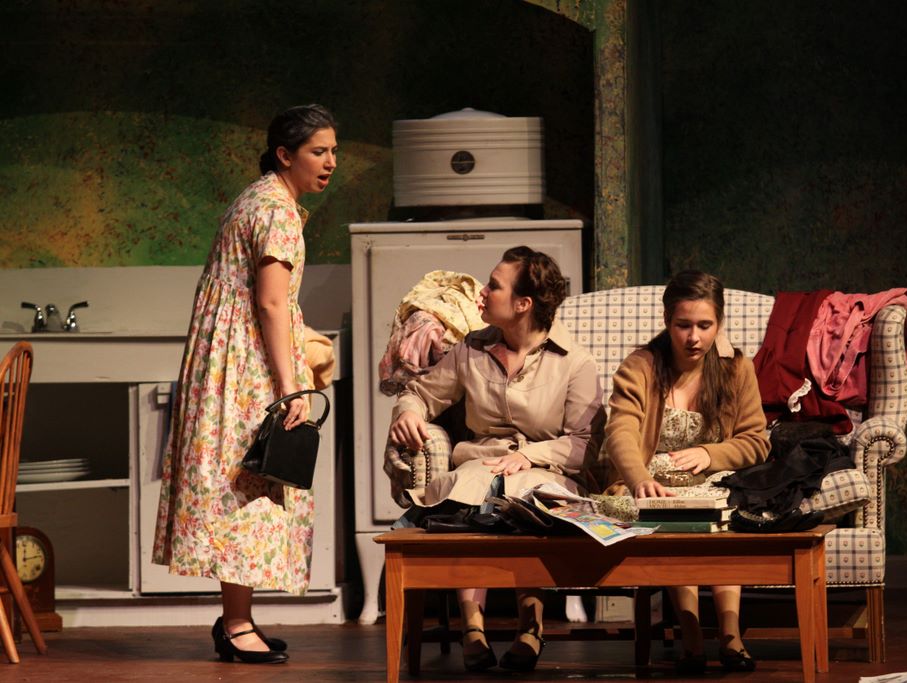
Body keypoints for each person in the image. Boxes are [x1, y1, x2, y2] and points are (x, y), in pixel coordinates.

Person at [151, 104, 338, 664]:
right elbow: (272, 302)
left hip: (229, 355)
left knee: (250, 487)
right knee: (250, 487)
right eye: (318, 151)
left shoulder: (258, 198)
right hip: (245, 363)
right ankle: (236, 625)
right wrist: (291, 387)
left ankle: (238, 618)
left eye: (334, 151)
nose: (330, 162)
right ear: (285, 155)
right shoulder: (275, 211)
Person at [389, 246, 605, 673]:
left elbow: (586, 443)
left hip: (546, 470)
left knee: (530, 500)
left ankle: (531, 626)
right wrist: (408, 412)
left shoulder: (574, 362)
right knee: (467, 498)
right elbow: (422, 393)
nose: (482, 293)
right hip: (480, 465)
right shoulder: (472, 349)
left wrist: (530, 455)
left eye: (494, 286)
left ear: (523, 304)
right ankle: (472, 628)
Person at [602, 270, 769, 673]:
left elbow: (756, 441)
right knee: (675, 515)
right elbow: (620, 430)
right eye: (683, 325)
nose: (694, 337)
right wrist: (640, 478)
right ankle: (691, 635)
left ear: (719, 323)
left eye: (704, 325)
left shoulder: (735, 368)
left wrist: (710, 454)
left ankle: (730, 634)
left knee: (722, 513)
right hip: (652, 483)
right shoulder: (641, 366)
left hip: (713, 480)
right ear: (667, 321)